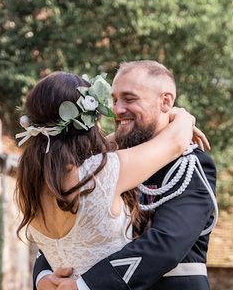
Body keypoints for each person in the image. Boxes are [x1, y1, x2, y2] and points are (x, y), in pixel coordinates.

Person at [34, 60, 218, 290]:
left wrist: (86, 285)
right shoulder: (104, 164)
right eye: (114, 100)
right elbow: (67, 232)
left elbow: (167, 242)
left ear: (166, 101)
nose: (117, 110)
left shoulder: (189, 164)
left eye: (129, 99)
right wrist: (44, 276)